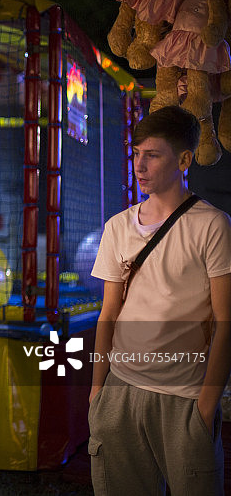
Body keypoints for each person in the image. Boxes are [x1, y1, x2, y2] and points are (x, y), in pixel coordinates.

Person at [89, 105, 231, 495]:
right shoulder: (117, 227)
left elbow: (226, 322)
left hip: (184, 398)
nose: (139, 165)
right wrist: (98, 392)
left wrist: (206, 407)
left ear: (184, 160)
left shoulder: (212, 225)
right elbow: (109, 314)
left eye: (152, 155)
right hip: (119, 391)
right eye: (136, 153)